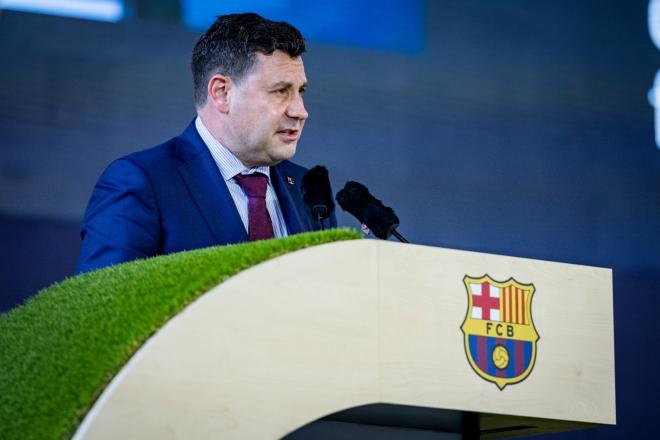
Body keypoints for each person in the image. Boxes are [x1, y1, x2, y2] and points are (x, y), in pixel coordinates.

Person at [76, 13, 335, 274]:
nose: (300, 111)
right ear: (222, 93)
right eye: (281, 91)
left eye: (300, 92)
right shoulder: (140, 183)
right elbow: (102, 308)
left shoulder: (309, 190)